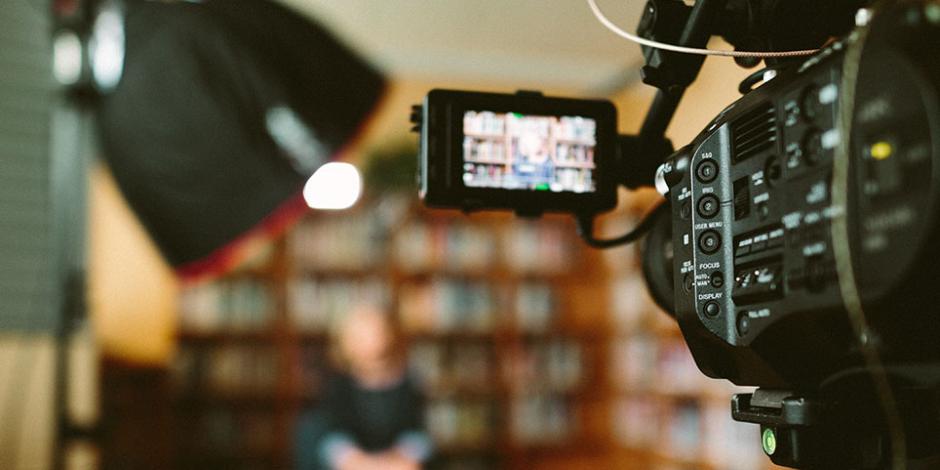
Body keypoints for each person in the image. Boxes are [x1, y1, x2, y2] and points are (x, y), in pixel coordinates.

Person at [297, 303, 432, 470]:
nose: (369, 340)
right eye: (360, 335)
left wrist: (400, 457)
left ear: (387, 334)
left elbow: (417, 431)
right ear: (346, 342)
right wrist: (358, 461)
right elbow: (331, 434)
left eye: (374, 332)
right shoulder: (337, 384)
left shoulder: (407, 381)